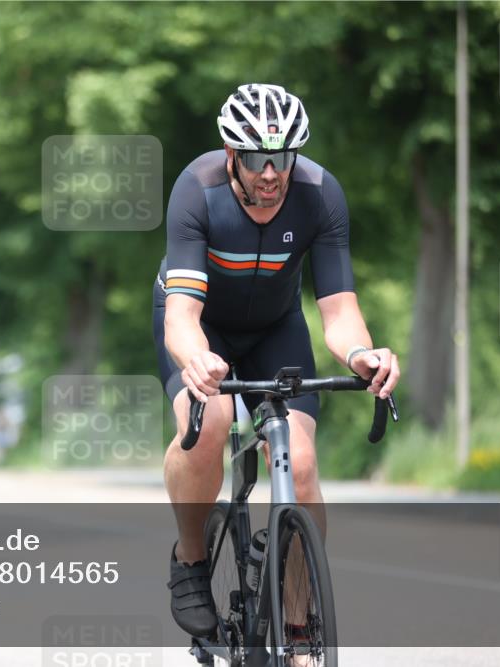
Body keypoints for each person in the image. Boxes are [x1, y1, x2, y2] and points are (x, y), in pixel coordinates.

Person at [154, 83, 400, 640]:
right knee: (211, 422)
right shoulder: (197, 189)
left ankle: (297, 626)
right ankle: (191, 561)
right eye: (259, 157)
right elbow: (182, 317)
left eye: (284, 156)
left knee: (303, 463)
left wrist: (363, 355)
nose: (272, 172)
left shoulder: (319, 192)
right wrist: (197, 361)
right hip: (201, 325)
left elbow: (338, 312)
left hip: (275, 327)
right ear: (230, 153)